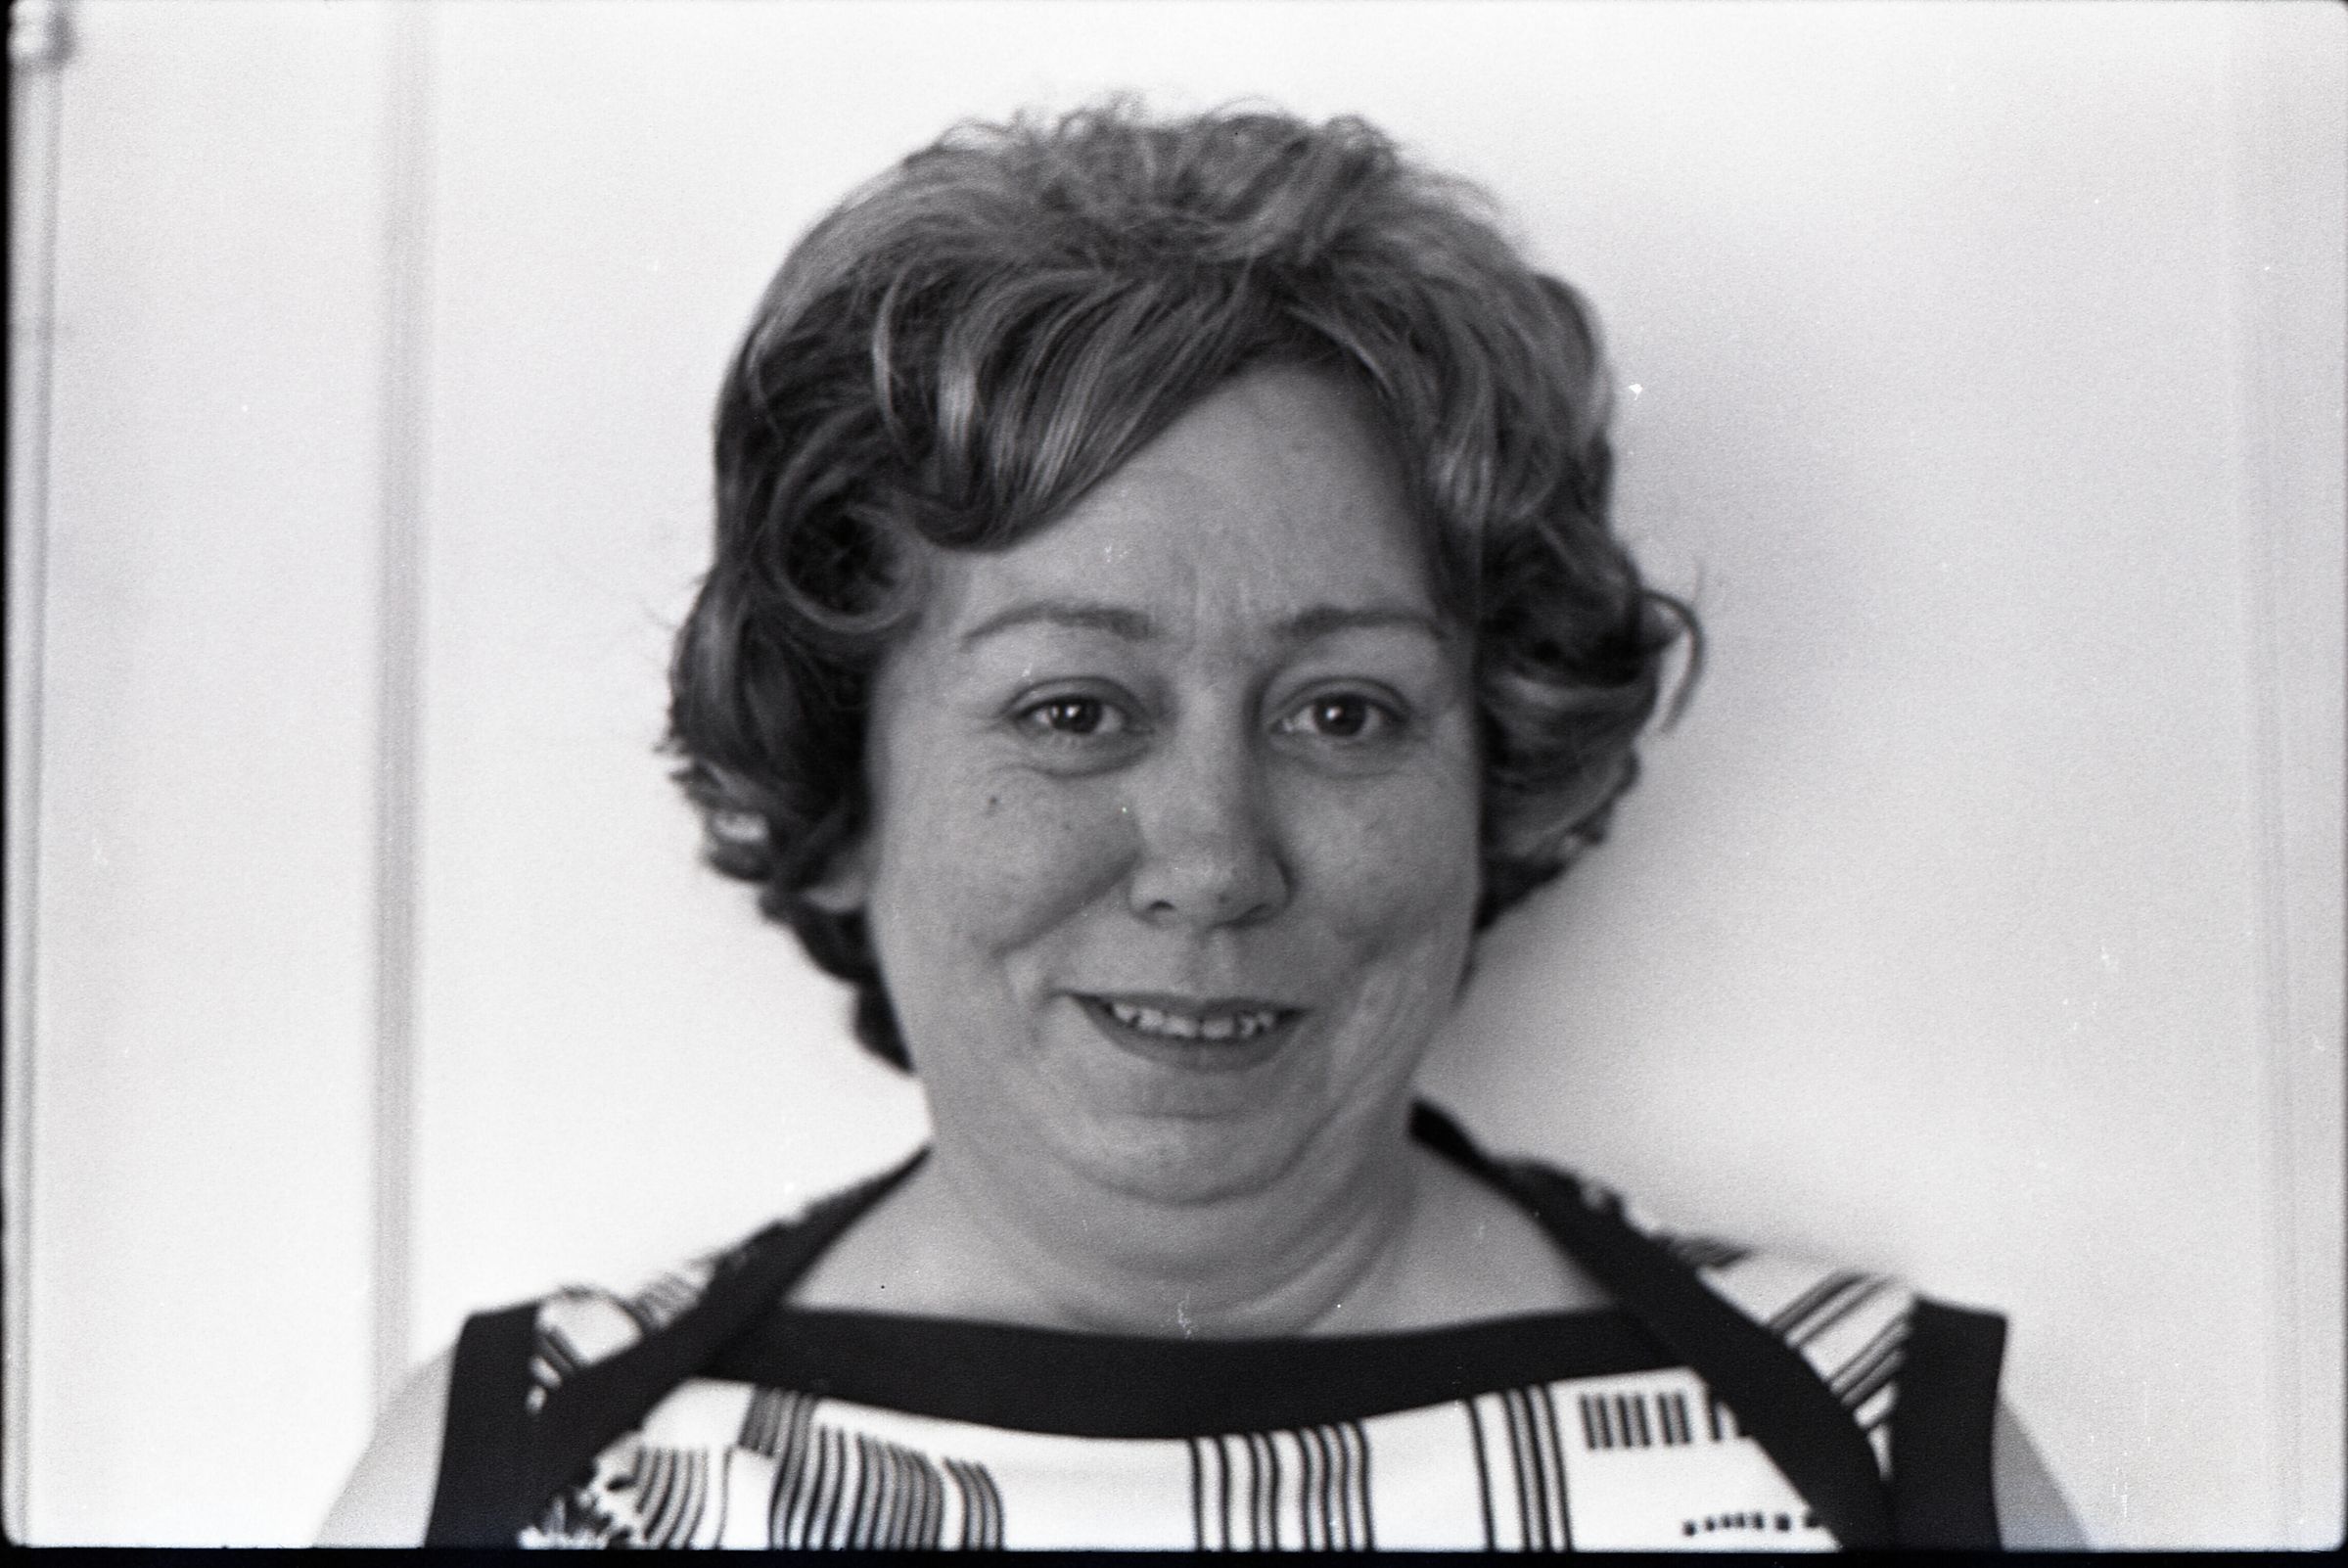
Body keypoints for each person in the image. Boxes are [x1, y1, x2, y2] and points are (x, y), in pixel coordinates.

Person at [324, 102, 2084, 1549]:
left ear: (1497, 775)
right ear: (841, 790)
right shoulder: (528, 1481)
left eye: (1343, 712)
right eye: (1072, 709)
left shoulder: (1873, 1462)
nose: (1215, 861)